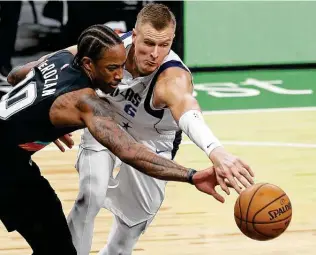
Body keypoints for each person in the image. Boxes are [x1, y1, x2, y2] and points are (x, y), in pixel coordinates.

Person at [3, 24, 230, 255]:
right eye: (111, 68)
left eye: (122, 67)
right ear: (88, 64)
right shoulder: (85, 102)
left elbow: (14, 76)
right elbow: (129, 151)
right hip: (7, 171)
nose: (120, 76)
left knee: (54, 242)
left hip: (14, 163)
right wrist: (191, 176)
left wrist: (47, 119)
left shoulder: (60, 58)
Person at [65, 3, 255, 255]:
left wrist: (216, 151)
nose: (155, 54)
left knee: (124, 240)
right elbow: (61, 62)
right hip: (107, 125)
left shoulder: (172, 77)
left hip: (152, 143)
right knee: (90, 195)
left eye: (164, 45)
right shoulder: (109, 48)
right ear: (134, 36)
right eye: (148, 43)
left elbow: (187, 108)